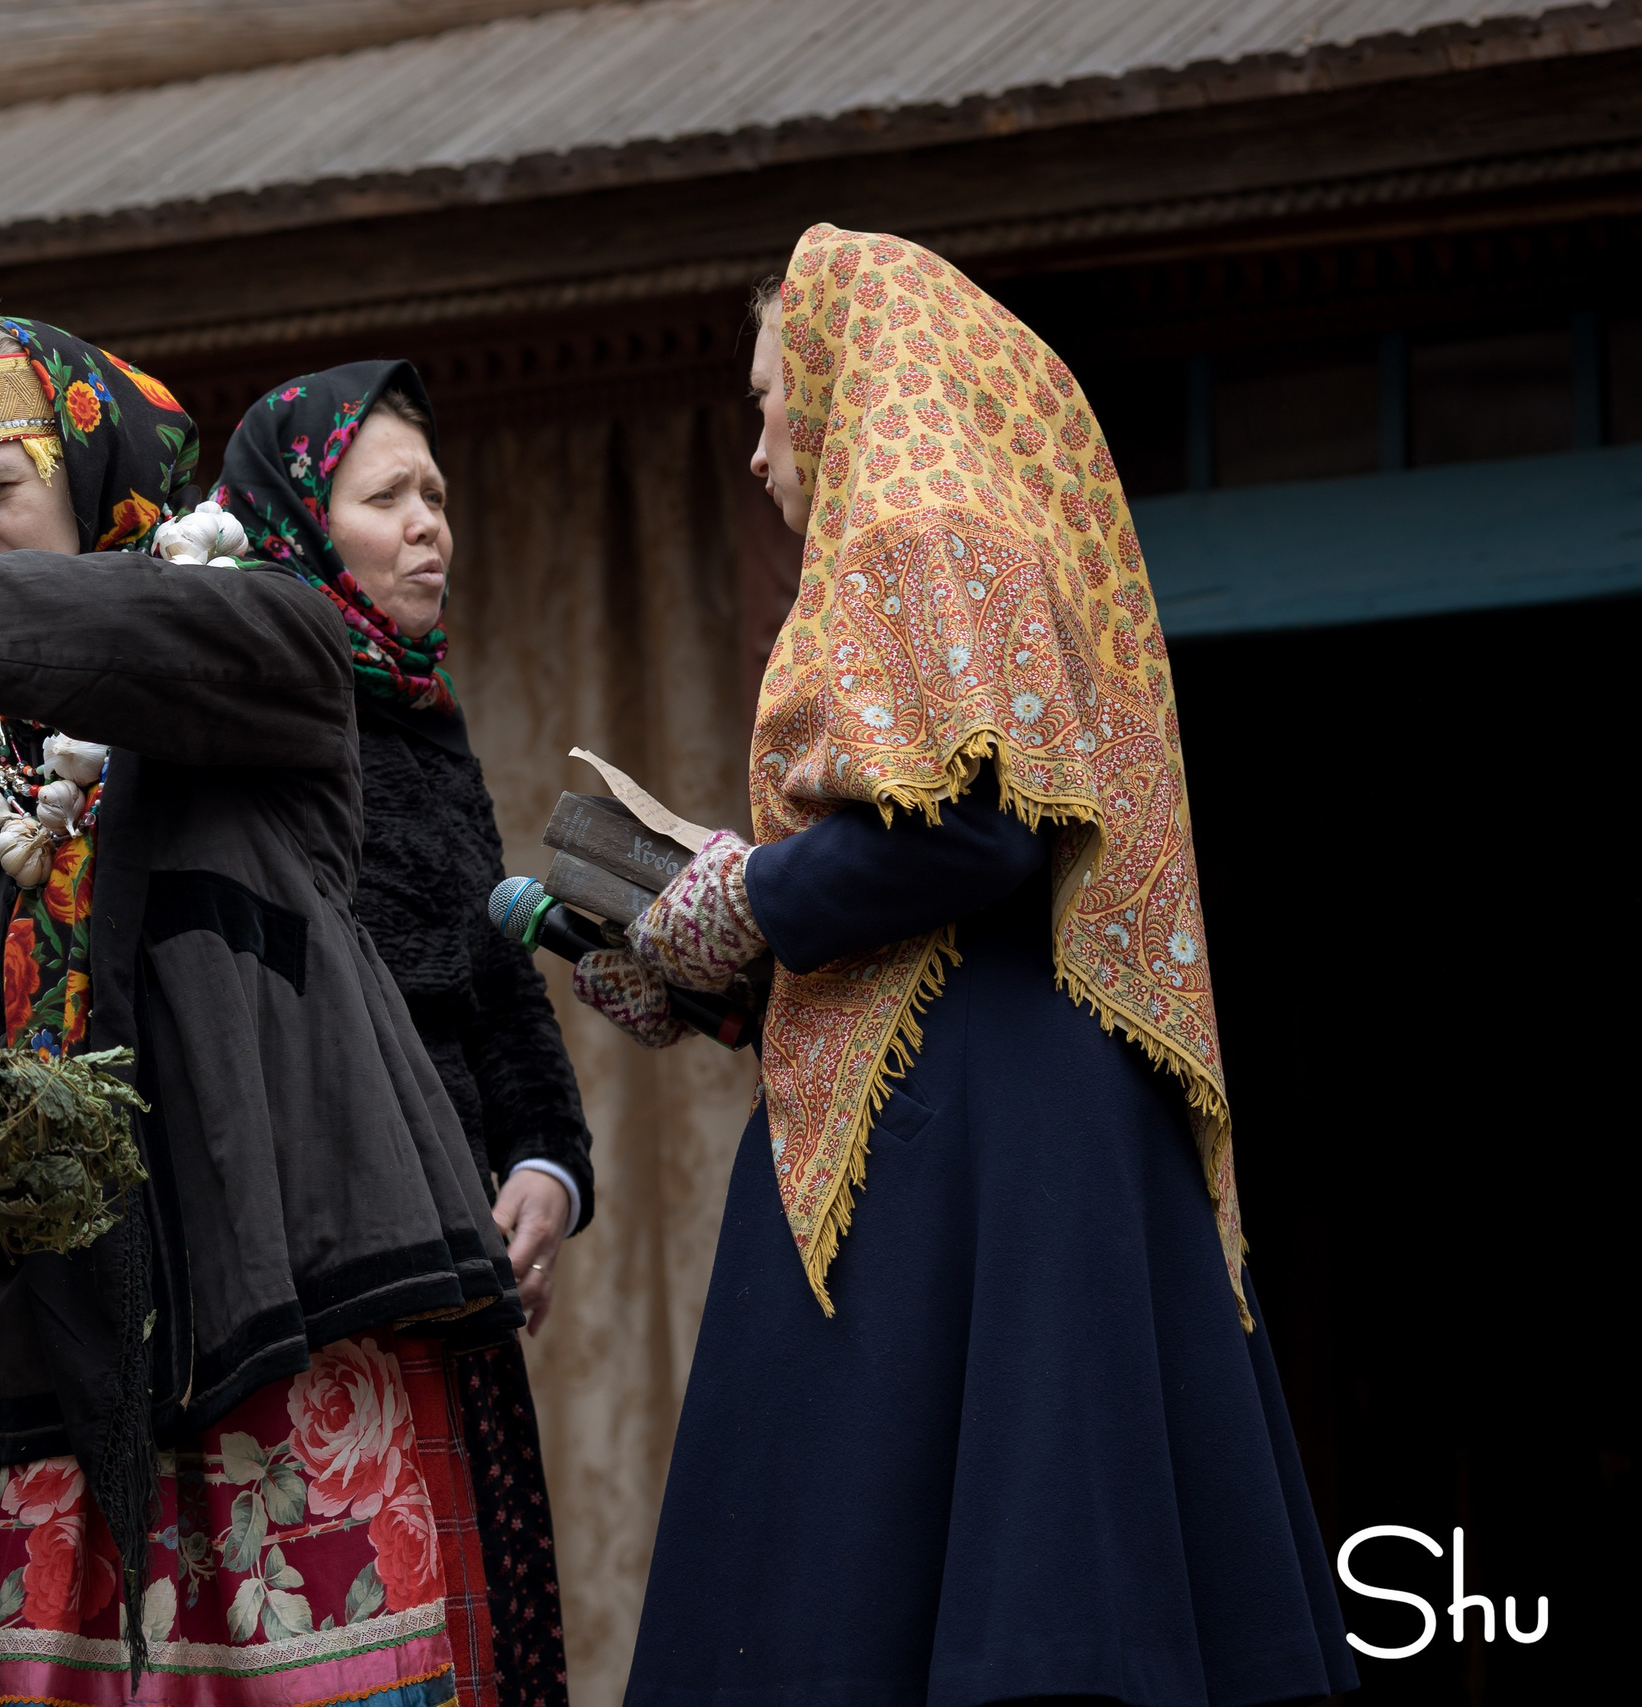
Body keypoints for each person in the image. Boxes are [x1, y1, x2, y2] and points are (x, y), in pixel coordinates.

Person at [0, 317, 525, 1705]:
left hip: (272, 1295)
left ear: (94, 474)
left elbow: (118, 629)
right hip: (46, 1320)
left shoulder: (264, 629)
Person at [580, 225, 1355, 1706]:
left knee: (885, 1601)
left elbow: (973, 829)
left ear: (845, 381)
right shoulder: (993, 525)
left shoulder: (914, 522)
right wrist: (714, 970)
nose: (760, 449)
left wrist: (750, 898)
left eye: (771, 401)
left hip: (969, 1140)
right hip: (1040, 1110)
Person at [217, 361, 587, 1707]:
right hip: (323, 1287)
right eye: (387, 498)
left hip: (457, 1271)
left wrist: (545, 1167)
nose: (430, 523)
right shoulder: (231, 729)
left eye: (436, 494)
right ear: (297, 525)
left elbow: (497, 977)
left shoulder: (428, 721)